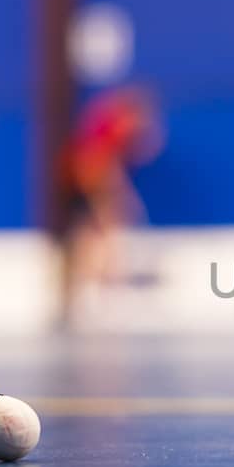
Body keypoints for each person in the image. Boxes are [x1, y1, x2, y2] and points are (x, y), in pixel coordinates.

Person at [59, 84, 165, 318]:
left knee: (96, 234)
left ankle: (98, 287)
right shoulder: (111, 128)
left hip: (88, 180)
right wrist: (115, 197)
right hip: (89, 180)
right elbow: (97, 165)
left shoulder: (109, 126)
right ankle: (102, 288)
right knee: (103, 234)